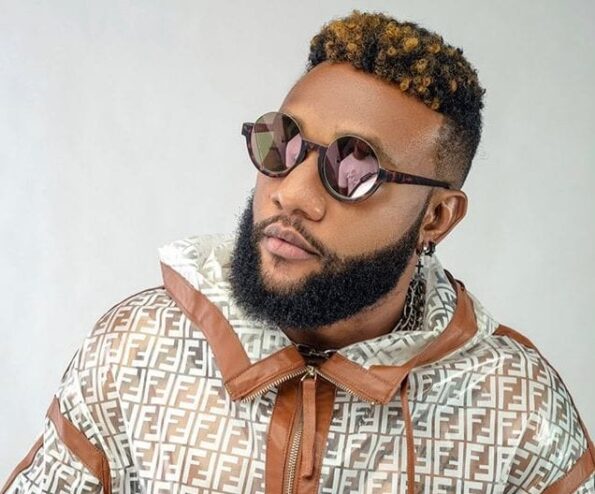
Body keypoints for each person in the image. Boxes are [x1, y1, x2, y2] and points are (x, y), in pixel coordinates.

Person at [2, 9, 593, 494]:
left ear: (437, 217)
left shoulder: (518, 407)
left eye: (355, 168)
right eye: (282, 143)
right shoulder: (135, 348)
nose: (291, 193)